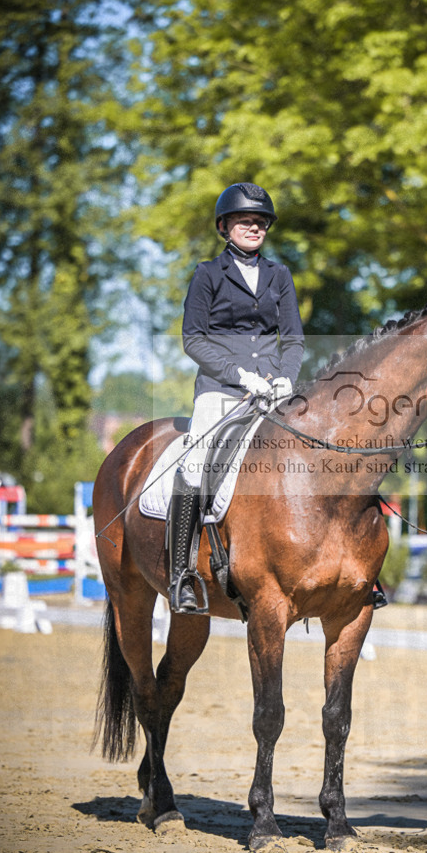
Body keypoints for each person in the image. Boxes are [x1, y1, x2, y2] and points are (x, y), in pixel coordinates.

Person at [168, 182, 305, 612]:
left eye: (260, 221)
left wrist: (285, 378)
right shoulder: (207, 274)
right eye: (245, 220)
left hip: (272, 391)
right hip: (222, 389)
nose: (254, 226)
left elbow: (295, 340)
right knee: (195, 462)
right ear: (224, 226)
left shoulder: (280, 276)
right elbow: (193, 340)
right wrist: (239, 374)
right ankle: (182, 575)